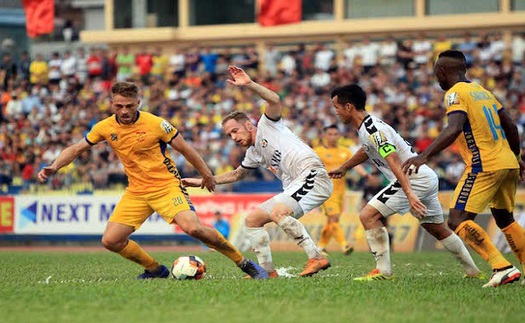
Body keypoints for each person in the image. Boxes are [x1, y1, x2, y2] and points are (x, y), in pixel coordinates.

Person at [37, 81, 268, 280]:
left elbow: (185, 149)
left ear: (138, 102)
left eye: (129, 105)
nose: (124, 110)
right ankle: (155, 269)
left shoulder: (156, 123)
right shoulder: (104, 127)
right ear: (111, 104)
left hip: (167, 187)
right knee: (111, 241)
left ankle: (243, 263)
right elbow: (77, 148)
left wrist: (206, 174)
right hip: (136, 192)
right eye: (119, 106)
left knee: (193, 228)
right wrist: (55, 166)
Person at [183, 66, 332, 278]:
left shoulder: (268, 125)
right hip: (296, 184)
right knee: (253, 220)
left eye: (235, 131)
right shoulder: (253, 153)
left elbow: (274, 100)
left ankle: (316, 257)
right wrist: (202, 181)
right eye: (229, 135)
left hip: (312, 173)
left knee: (279, 212)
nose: (233, 137)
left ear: (248, 125)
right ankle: (268, 271)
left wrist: (249, 84)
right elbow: (236, 175)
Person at [329, 83, 482, 281]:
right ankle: (473, 272)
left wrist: (409, 193)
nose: (336, 112)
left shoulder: (372, 129)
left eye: (337, 107)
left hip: (412, 179)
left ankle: (383, 272)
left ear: (349, 107)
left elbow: (392, 159)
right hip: (426, 176)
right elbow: (366, 150)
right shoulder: (368, 127)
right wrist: (344, 167)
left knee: (367, 216)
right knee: (436, 227)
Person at [402, 50, 525, 288]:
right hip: (507, 162)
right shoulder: (483, 91)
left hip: (484, 164)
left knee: (457, 219)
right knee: (505, 218)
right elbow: (509, 123)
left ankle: (502, 267)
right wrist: (516, 156)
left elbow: (455, 127)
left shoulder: (454, 93)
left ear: (441, 71)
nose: (437, 78)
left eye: (437, 73)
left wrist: (424, 156)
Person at [314, 124, 368, 256]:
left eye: (335, 134)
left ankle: (320, 247)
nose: (333, 137)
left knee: (333, 221)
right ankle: (344, 245)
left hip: (340, 191)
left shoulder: (344, 151)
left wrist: (366, 175)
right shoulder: (317, 151)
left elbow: (354, 165)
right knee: (333, 218)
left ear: (339, 136)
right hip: (325, 190)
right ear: (324, 136)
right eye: (330, 134)